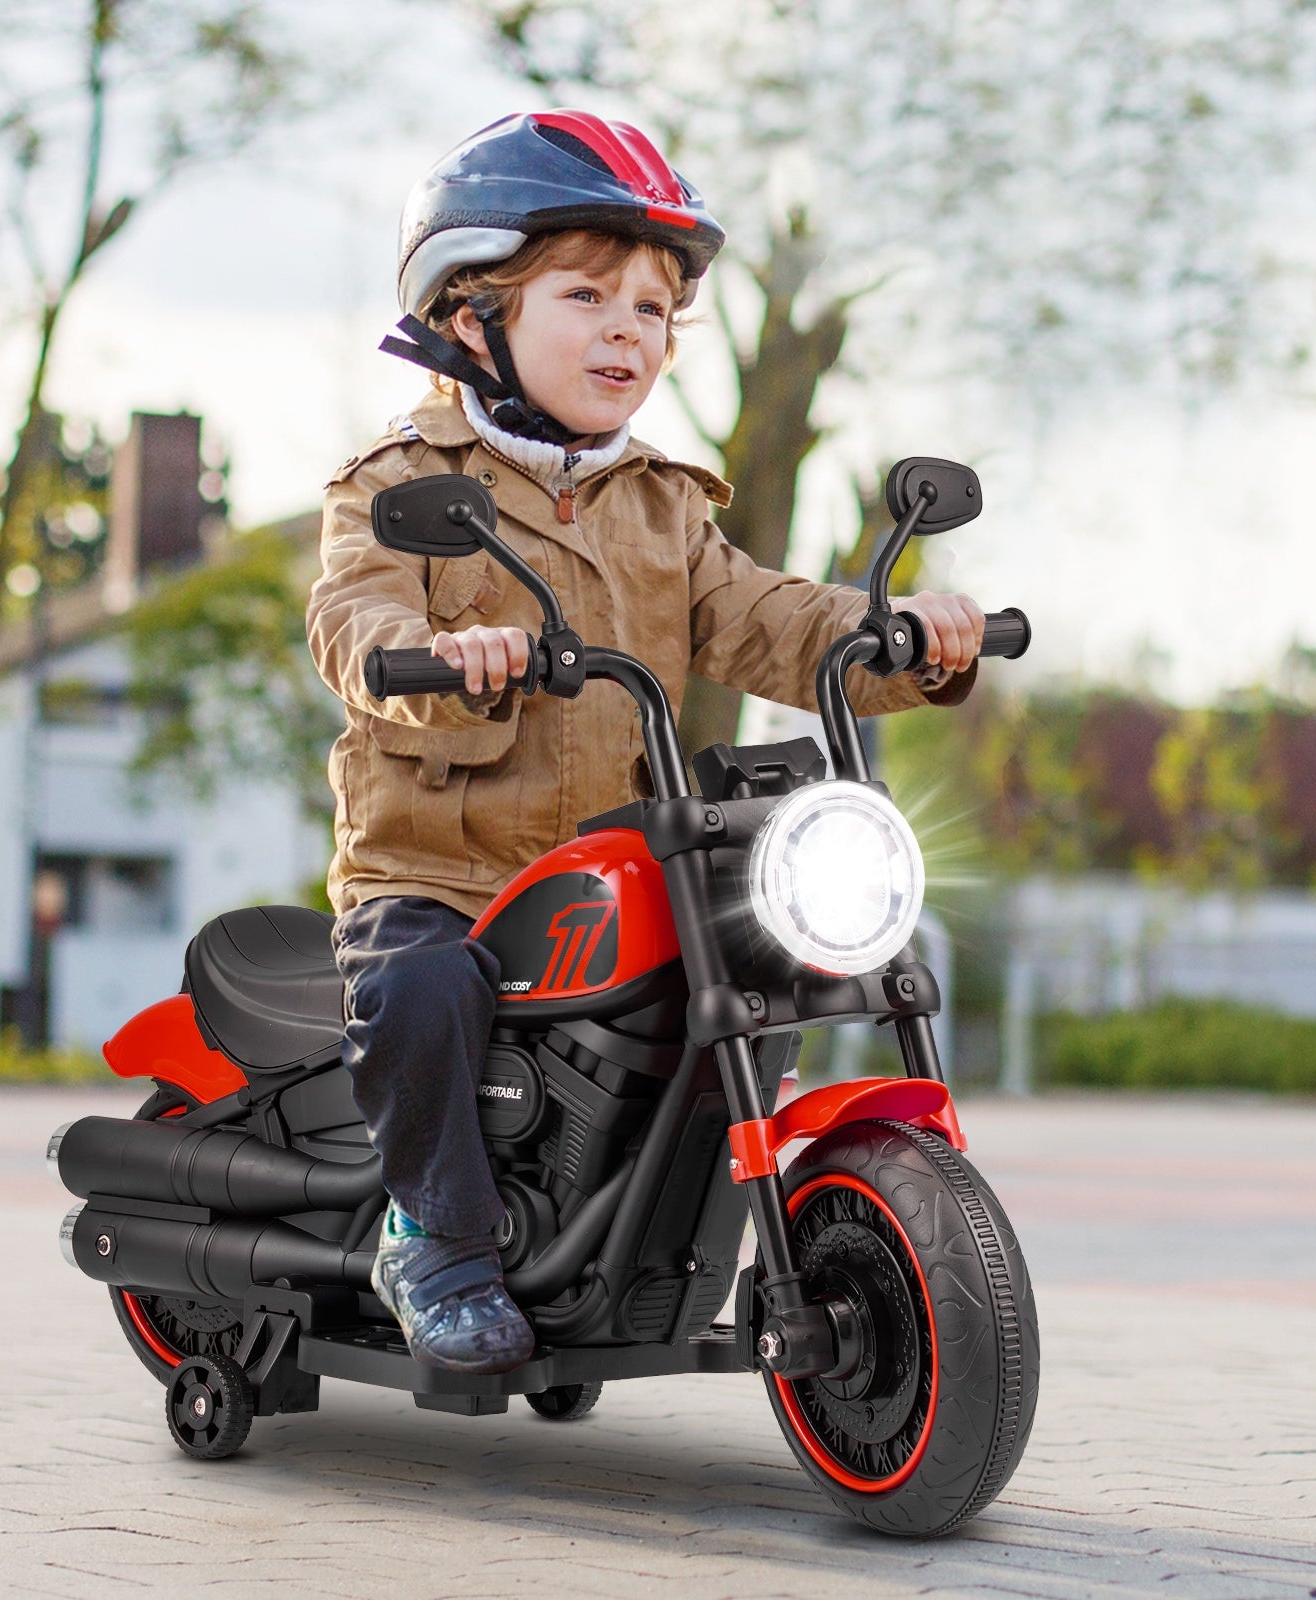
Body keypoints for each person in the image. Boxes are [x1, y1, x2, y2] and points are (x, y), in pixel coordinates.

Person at [306, 109, 984, 1375]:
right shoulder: (395, 482)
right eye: (586, 295)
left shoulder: (662, 503)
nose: (629, 329)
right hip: (443, 873)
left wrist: (901, 633)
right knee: (420, 987)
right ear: (471, 313)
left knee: (758, 952)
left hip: (617, 869)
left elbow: (765, 617)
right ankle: (435, 1235)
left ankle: (648, 1235)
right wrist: (437, 653)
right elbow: (354, 614)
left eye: (656, 308)